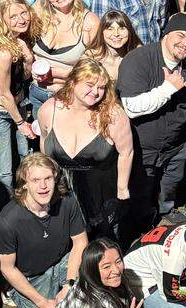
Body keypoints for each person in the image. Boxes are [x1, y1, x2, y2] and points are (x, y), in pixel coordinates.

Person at [117, 14, 186, 230]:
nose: (185, 44)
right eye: (180, 36)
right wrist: (167, 89)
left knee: (168, 194)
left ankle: (162, 226)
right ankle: (138, 233)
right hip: (142, 147)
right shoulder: (138, 59)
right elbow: (131, 107)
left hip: (175, 147)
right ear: (166, 34)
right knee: (140, 196)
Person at [38, 58, 134, 240]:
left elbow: (126, 152)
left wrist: (122, 189)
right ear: (73, 82)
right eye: (90, 85)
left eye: (101, 87)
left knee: (105, 242)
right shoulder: (49, 110)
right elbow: (44, 146)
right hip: (63, 190)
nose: (96, 92)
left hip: (101, 192)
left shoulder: (113, 115)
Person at [0, 153, 89, 308]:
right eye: (35, 180)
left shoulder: (66, 201)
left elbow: (80, 243)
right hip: (31, 276)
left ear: (55, 178)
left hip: (61, 261)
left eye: (48, 178)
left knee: (96, 287)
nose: (43, 186)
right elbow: (7, 267)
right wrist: (42, 302)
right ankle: (13, 294)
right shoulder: (8, 220)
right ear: (25, 184)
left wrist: (70, 284)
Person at [0, 0, 37, 211]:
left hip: (19, 105)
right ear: (2, 20)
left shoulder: (21, 39)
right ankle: (0, 215)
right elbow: (3, 94)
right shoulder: (1, 51)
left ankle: (27, 204)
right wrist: (21, 124)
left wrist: (29, 58)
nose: (22, 19)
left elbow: (26, 77)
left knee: (27, 157)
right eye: (13, 17)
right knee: (1, 170)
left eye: (24, 13)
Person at [28, 0, 101, 114]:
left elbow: (93, 70)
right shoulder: (38, 11)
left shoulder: (90, 22)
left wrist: (55, 73)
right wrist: (28, 63)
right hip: (37, 94)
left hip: (68, 96)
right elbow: (19, 38)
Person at [83, 10, 143, 81]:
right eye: (110, 29)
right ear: (102, 32)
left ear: (129, 31)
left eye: (121, 28)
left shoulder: (137, 55)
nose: (116, 34)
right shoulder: (90, 58)